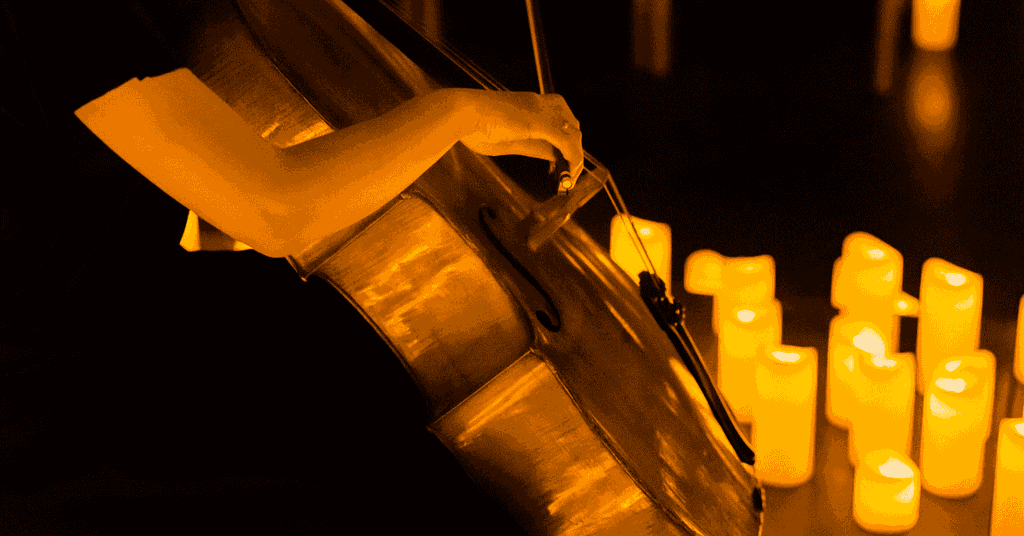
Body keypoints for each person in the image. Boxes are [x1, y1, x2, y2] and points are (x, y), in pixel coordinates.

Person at [0, 1, 580, 533]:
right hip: (53, 420)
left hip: (106, 316)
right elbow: (278, 210)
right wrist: (460, 112)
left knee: (358, 362)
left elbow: (71, 195)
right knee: (421, 494)